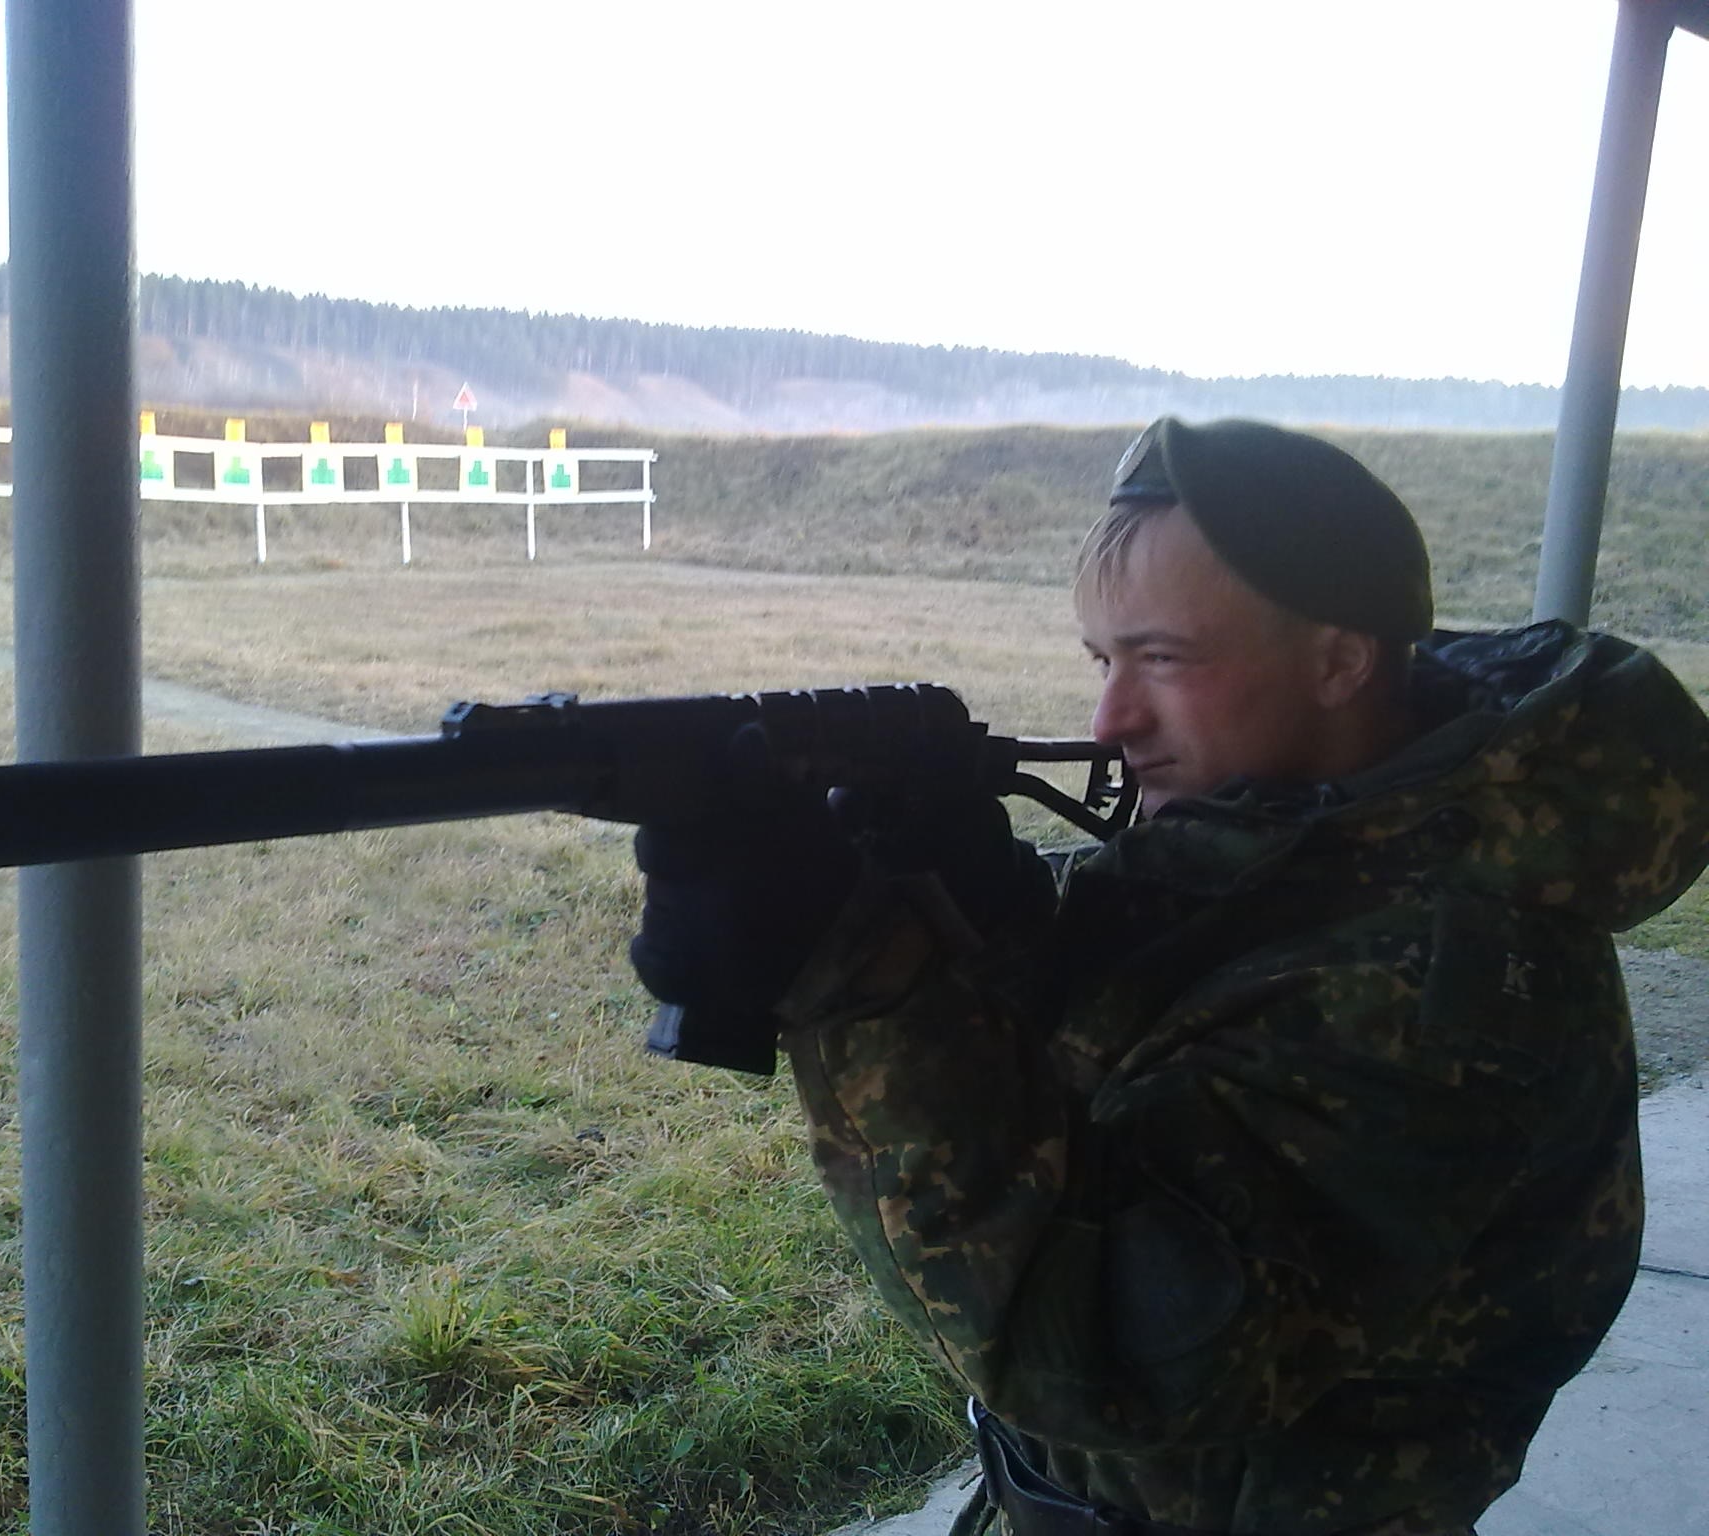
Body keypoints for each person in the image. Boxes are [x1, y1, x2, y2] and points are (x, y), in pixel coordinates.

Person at [627, 417, 1709, 1536]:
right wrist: (978, 906)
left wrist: (866, 982)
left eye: (1163, 659)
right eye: (1103, 661)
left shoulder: (1441, 985)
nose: (1110, 719)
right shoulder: (1319, 831)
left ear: (1338, 662)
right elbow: (1147, 1045)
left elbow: (1108, 1349)